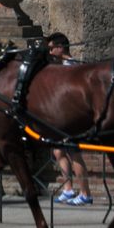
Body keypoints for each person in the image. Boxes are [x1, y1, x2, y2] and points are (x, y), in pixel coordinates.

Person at [48, 31, 93, 206]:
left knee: (74, 154)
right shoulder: (62, 66)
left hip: (72, 118)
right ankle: (68, 189)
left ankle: (85, 193)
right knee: (58, 151)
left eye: (52, 49)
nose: (50, 52)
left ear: (60, 48)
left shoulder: (71, 66)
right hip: (62, 118)